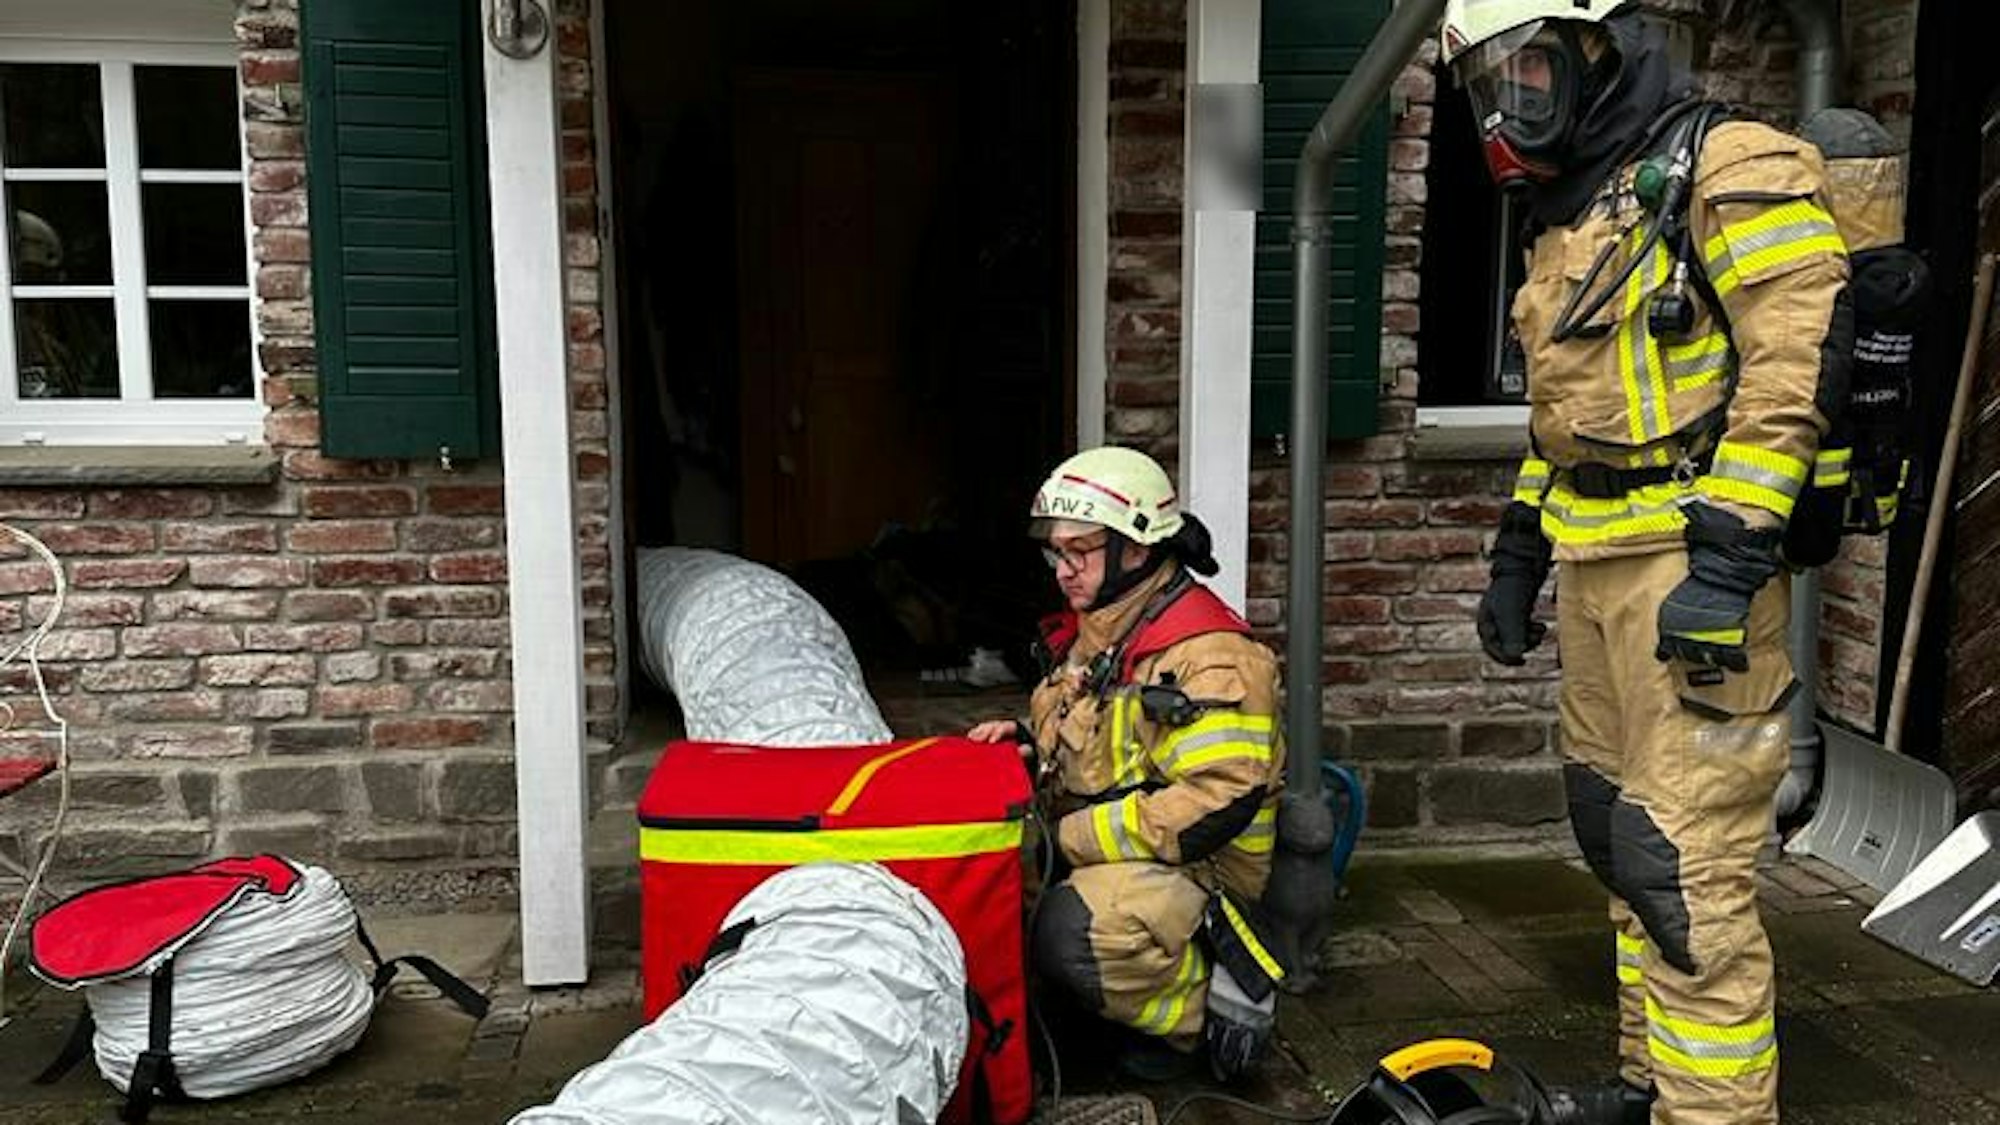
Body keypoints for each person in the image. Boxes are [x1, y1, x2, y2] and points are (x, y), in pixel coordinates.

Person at [1443, 1, 1852, 1122]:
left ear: (1594, 47)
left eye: (1524, 69)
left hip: (1691, 563)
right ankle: (1650, 1086)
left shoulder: (1731, 164)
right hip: (1592, 556)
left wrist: (1728, 566)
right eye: (1487, 82)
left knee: (1683, 869)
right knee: (1614, 836)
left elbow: (1791, 376)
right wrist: (1519, 550)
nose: (1506, 103)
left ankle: (1715, 1113)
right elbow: (1565, 417)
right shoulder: (1577, 199)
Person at [967, 445, 1288, 1082]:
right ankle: (1106, 1003)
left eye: (1080, 552)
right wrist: (1033, 740)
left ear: (1136, 550)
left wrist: (1068, 841)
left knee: (1070, 934)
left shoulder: (1211, 657)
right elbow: (1116, 740)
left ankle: (1214, 1011)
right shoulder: (1107, 624)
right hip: (1130, 848)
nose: (1062, 570)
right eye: (1056, 551)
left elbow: (1217, 799)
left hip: (1202, 869)